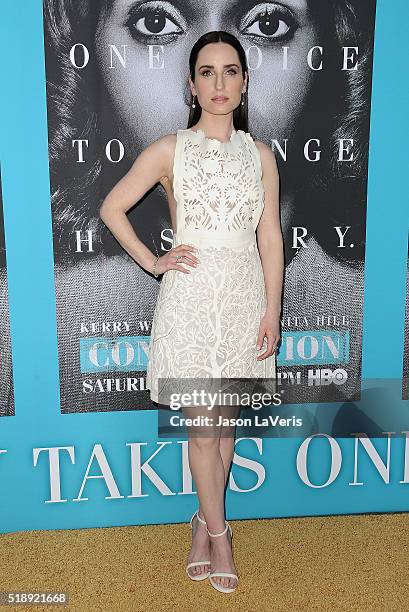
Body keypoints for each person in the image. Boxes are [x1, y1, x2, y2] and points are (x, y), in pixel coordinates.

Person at [99, 31, 284, 594]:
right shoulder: (168, 149)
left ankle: (202, 523)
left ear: (246, 82)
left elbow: (270, 236)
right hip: (190, 301)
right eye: (207, 72)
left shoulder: (260, 156)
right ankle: (220, 534)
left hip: (244, 298)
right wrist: (154, 262)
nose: (219, 83)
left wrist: (272, 309)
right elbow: (112, 208)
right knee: (203, 432)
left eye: (231, 71)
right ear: (192, 83)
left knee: (222, 433)